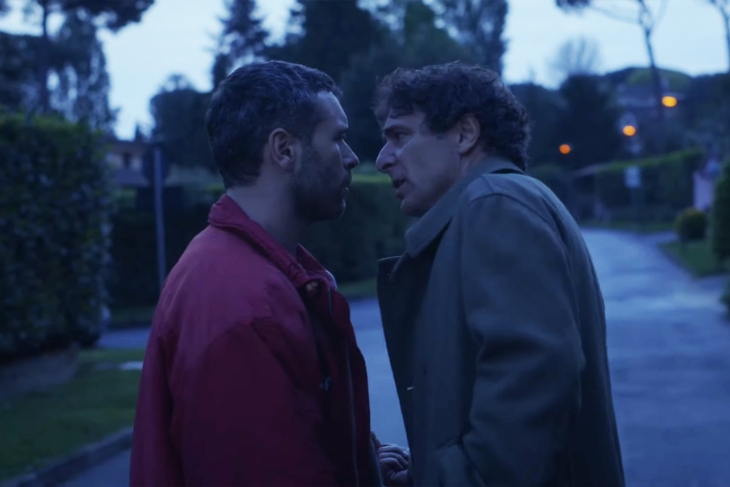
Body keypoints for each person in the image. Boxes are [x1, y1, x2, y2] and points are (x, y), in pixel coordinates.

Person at [130, 60, 407, 487]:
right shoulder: (246, 308)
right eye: (337, 138)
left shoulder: (238, 266)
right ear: (284, 150)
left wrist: (361, 463)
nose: (352, 158)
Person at [373, 62, 625, 487]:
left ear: (465, 133)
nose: (383, 160)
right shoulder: (496, 203)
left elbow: (534, 379)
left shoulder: (494, 203)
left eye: (401, 135)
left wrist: (457, 479)